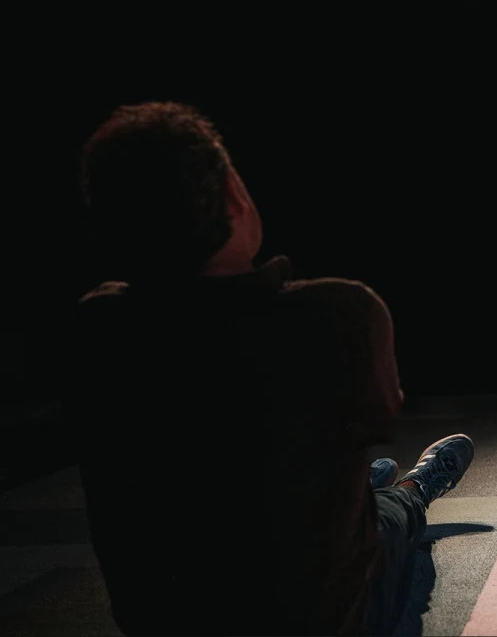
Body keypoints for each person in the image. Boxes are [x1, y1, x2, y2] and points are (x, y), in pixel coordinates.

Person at [67, 100, 474, 636]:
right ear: (235, 196)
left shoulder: (98, 327)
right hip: (330, 623)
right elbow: (377, 417)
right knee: (392, 520)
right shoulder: (340, 313)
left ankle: (374, 490)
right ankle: (413, 488)